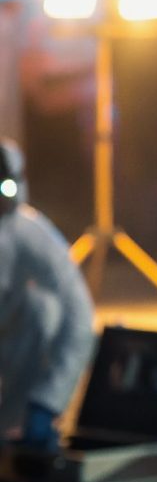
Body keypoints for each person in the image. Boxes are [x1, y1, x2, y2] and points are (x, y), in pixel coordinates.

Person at [0, 138, 97, 452]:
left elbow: (78, 314)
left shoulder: (28, 233)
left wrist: (49, 399)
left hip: (11, 354)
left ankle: (18, 424)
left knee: (42, 310)